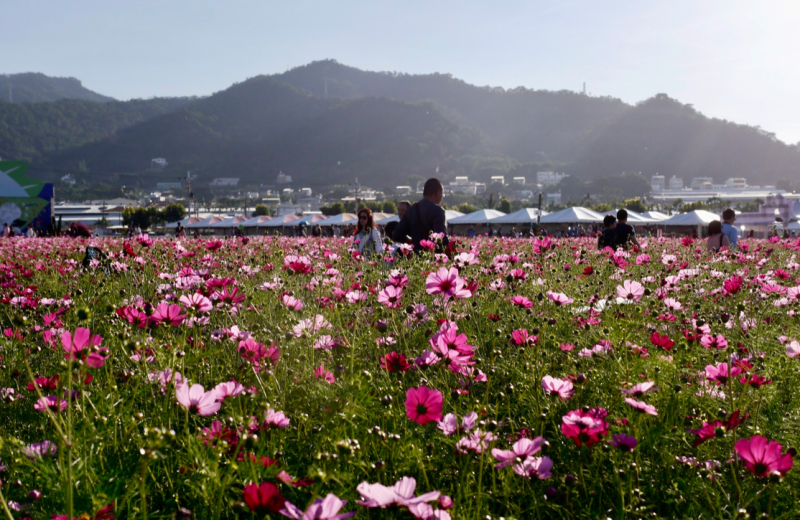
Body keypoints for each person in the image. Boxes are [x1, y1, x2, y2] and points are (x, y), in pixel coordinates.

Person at [392, 178, 448, 252]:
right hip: (433, 258)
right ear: (437, 193)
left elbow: (397, 235)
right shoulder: (438, 211)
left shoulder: (411, 210)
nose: (442, 197)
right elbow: (441, 239)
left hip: (416, 257)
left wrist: (413, 242)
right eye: (442, 193)